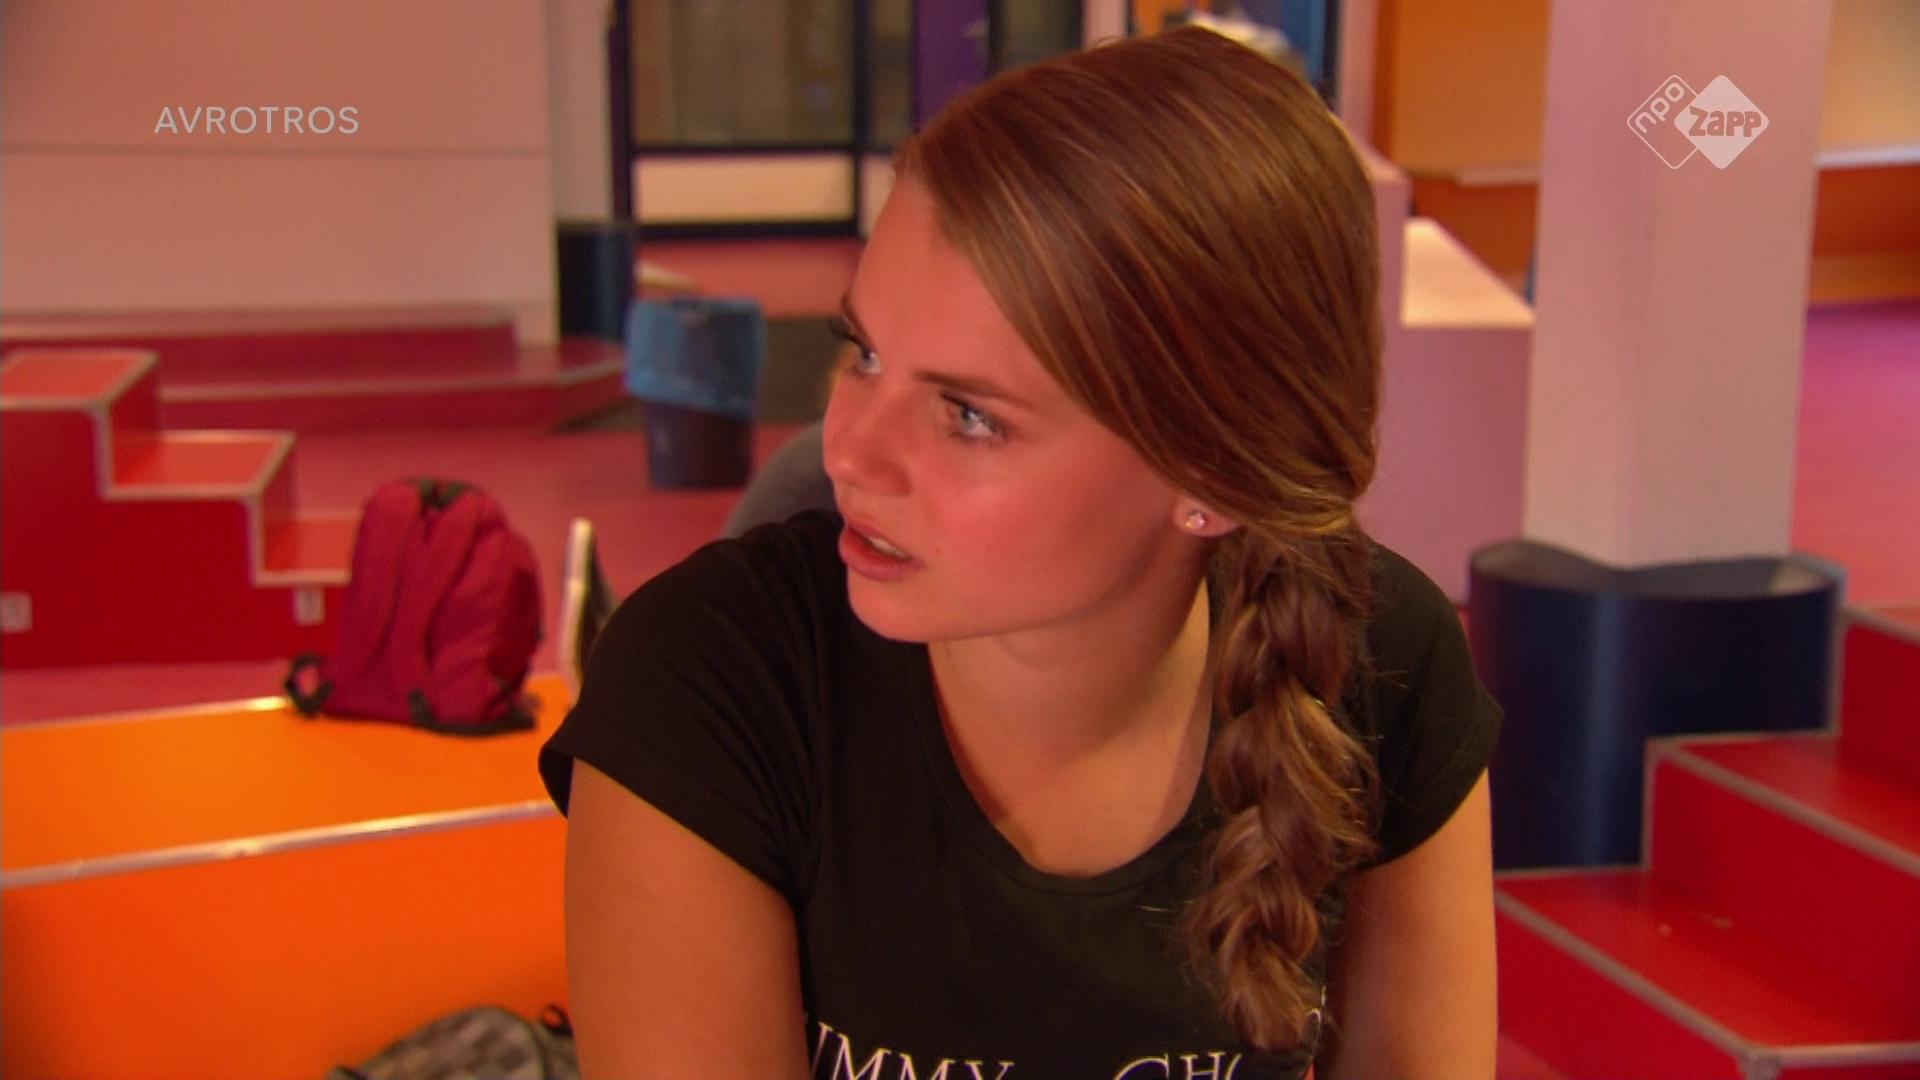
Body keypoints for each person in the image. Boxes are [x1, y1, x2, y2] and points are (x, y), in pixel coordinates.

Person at [540, 26, 1501, 1080]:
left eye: (969, 415)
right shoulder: (708, 683)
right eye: (864, 352)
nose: (848, 449)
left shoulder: (1377, 666)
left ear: (1213, 480)